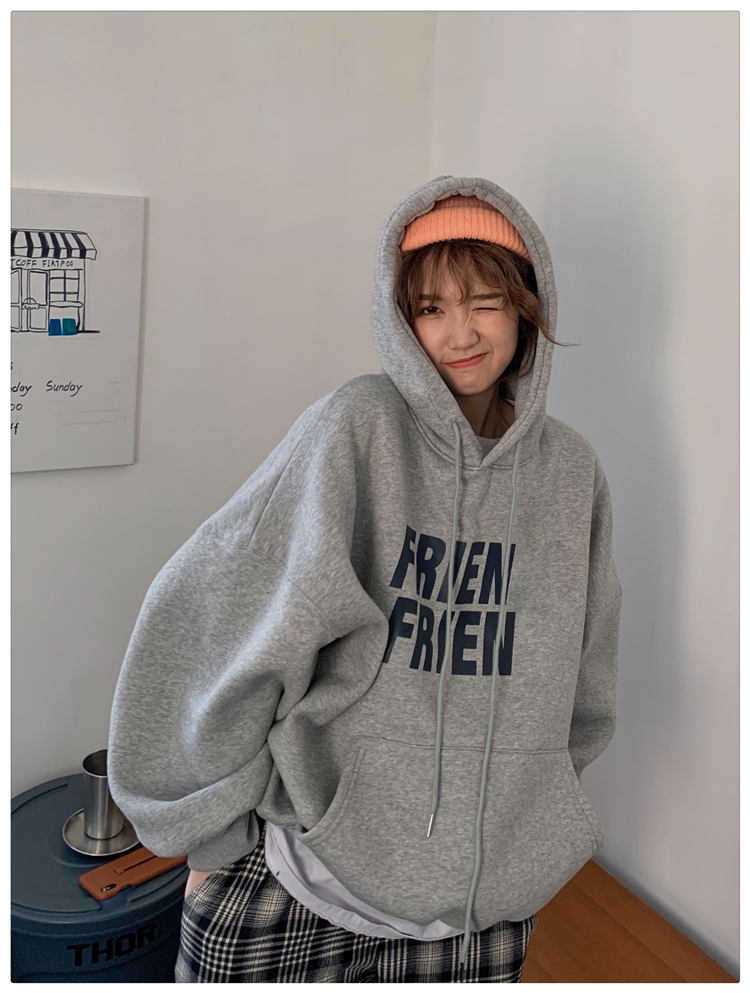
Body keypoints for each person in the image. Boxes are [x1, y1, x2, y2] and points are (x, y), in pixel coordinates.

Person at [107, 175, 623, 983]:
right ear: (400, 318)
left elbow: (585, 674)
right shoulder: (358, 428)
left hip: (482, 912)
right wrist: (206, 838)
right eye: (430, 307)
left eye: (484, 301)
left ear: (526, 306)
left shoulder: (570, 474)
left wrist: (533, 820)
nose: (459, 332)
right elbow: (216, 611)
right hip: (303, 882)